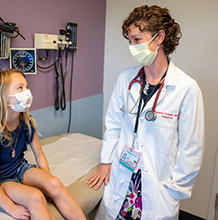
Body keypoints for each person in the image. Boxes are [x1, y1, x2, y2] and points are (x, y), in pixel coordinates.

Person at [87, 5, 204, 220]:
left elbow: (191, 149)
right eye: (130, 41)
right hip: (122, 177)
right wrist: (105, 162)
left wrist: (174, 191)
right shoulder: (126, 79)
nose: (132, 47)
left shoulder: (186, 88)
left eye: (137, 40)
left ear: (159, 37)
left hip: (157, 189)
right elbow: (113, 124)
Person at [0, 69, 86, 220]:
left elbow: (40, 156)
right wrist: (11, 208)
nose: (27, 92)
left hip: (20, 168)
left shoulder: (26, 122)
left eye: (26, 86)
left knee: (55, 184)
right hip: (0, 180)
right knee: (35, 196)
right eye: (20, 88)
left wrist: (47, 188)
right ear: (2, 97)